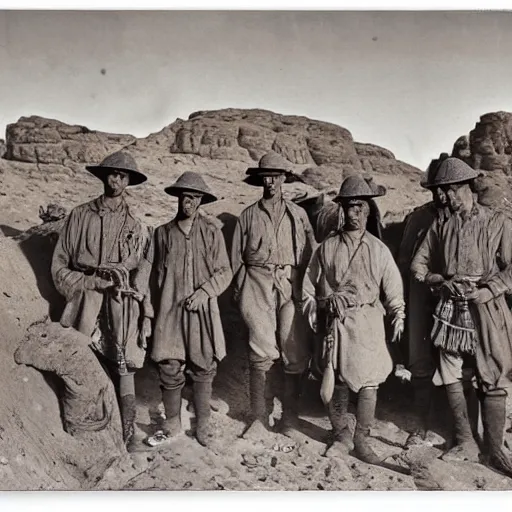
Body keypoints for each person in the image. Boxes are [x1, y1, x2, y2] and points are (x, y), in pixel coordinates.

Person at [411, 157, 512, 476]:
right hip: (450, 310)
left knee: (492, 372)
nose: (445, 198)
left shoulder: (498, 222)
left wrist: (489, 289)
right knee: (451, 370)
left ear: (467, 187)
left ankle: (494, 448)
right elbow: (418, 267)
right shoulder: (439, 225)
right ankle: (466, 441)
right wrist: (440, 282)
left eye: (451, 191)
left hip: (486, 307)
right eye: (442, 191)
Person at [51, 150, 153, 450]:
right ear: (103, 177)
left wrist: (137, 299)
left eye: (123, 176)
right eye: (112, 174)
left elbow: (139, 269)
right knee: (81, 357)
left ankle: (127, 431)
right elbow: (60, 265)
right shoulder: (80, 216)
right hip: (85, 296)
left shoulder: (135, 225)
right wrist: (86, 284)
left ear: (129, 181)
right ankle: (85, 426)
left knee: (124, 362)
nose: (116, 180)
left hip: (120, 300)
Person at [303, 175, 405, 465]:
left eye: (361, 207)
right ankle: (341, 435)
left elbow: (393, 286)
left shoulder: (378, 249)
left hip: (369, 320)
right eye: (350, 207)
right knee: (337, 380)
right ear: (342, 210)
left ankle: (362, 439)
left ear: (369, 210)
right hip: (339, 322)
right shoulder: (327, 247)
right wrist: (322, 303)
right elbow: (309, 287)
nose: (355, 214)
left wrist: (398, 312)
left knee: (370, 382)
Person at [231, 151, 316, 439]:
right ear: (260, 180)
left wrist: (306, 289)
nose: (271, 182)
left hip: (290, 282)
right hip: (256, 282)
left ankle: (290, 418)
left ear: (283, 179)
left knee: (293, 347)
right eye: (266, 177)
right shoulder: (248, 216)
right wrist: (242, 289)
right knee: (260, 348)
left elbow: (310, 256)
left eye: (276, 177)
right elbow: (235, 260)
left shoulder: (298, 215)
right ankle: (259, 417)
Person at [148, 172, 232, 447]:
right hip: (169, 309)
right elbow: (151, 276)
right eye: (185, 196)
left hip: (201, 309)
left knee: (204, 363)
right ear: (178, 198)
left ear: (201, 201)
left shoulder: (211, 232)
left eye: (195, 197)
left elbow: (224, 271)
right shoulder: (161, 234)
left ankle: (203, 423)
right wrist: (150, 312)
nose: (189, 202)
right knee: (170, 364)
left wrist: (204, 293)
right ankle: (172, 422)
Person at [397, 154, 460, 446]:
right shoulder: (419, 217)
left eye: (444, 187)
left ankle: (457, 425)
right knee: (420, 358)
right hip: (422, 294)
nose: (439, 194)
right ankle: (420, 422)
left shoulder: (465, 216)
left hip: (456, 298)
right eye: (434, 188)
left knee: (456, 358)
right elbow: (405, 259)